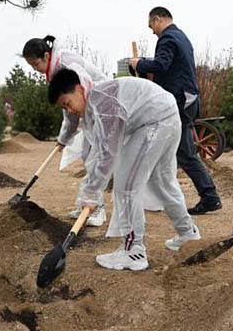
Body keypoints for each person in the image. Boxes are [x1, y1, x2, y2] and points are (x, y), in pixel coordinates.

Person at [47, 68, 200, 270]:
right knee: (163, 181)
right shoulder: (96, 101)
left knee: (126, 186)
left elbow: (108, 153)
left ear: (78, 88)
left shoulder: (102, 100)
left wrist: (92, 191)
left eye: (68, 103)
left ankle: (133, 250)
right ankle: (188, 232)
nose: (70, 110)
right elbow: (101, 150)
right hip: (167, 116)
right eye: (64, 108)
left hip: (155, 121)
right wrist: (91, 188)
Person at [129, 7, 222, 215]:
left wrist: (139, 63)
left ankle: (210, 197)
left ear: (158, 19)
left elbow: (161, 65)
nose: (152, 31)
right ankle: (162, 197)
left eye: (151, 25)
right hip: (185, 99)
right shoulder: (179, 36)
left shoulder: (168, 38)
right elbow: (167, 68)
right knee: (172, 152)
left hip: (180, 101)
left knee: (186, 154)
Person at [23, 35, 108, 226]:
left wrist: (64, 138)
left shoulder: (65, 67)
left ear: (46, 55)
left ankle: (97, 209)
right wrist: (64, 138)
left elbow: (71, 111)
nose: (35, 69)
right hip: (90, 109)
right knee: (88, 156)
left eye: (35, 64)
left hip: (100, 106)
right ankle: (86, 205)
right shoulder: (57, 65)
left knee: (94, 158)